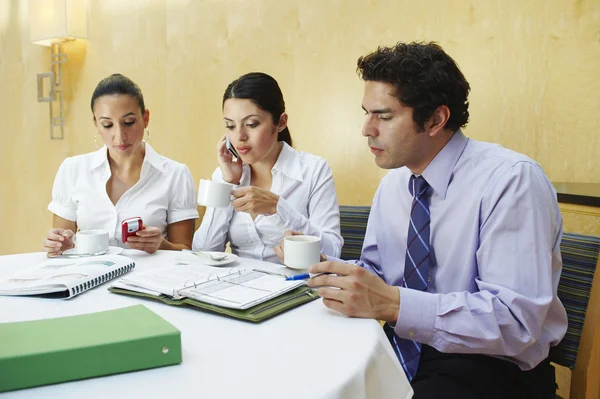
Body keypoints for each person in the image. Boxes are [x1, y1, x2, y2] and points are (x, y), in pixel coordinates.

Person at [275, 42, 567, 398]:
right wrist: (326, 268)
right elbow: (378, 272)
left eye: (383, 116)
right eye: (366, 113)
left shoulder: (511, 180)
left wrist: (393, 304)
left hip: (493, 366)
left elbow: (515, 322)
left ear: (435, 119)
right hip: (406, 347)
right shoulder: (394, 185)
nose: (366, 129)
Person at [192, 72, 342, 263]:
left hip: (295, 287)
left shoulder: (314, 170)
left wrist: (278, 208)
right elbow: (203, 252)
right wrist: (227, 183)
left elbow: (333, 251)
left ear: (280, 122)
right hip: (237, 286)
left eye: (252, 124)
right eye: (230, 126)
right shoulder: (225, 174)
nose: (239, 136)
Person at [43, 74, 199, 256]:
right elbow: (63, 245)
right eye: (107, 125)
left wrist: (161, 244)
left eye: (129, 122)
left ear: (145, 118)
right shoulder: (73, 170)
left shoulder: (175, 175)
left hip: (149, 280)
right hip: (90, 278)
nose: (120, 136)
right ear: (96, 124)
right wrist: (58, 244)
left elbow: (185, 251)